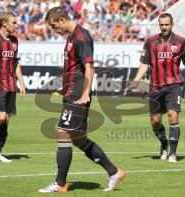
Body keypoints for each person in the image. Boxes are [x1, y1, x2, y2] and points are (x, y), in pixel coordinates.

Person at [39, 7, 125, 193]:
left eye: (54, 26)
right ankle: (114, 172)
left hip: (78, 95)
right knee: (78, 139)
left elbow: (89, 67)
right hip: (71, 93)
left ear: (62, 20)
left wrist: (85, 93)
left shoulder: (81, 36)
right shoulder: (71, 37)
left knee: (62, 131)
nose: (54, 30)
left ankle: (60, 184)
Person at [129, 13, 185, 163]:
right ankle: (164, 143)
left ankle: (173, 154)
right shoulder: (150, 41)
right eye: (162, 25)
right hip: (155, 86)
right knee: (155, 121)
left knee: (173, 116)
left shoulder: (181, 41)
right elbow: (144, 63)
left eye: (167, 24)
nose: (164, 27)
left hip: (174, 85)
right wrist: (136, 80)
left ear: (172, 24)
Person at [0, 12, 26, 162]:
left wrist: (21, 82)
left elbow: (15, 63)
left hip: (10, 85)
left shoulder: (15, 41)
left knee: (6, 119)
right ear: (4, 24)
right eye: (14, 23)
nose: (17, 25)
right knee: (1, 117)